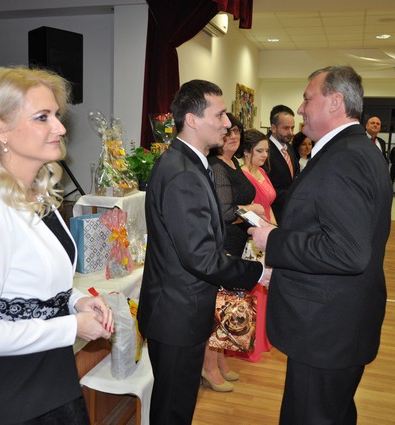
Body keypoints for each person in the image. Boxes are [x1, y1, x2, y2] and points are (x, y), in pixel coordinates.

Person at [0, 66, 114, 425]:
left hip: (53, 385)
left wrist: (74, 299)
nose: (60, 128)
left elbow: (28, 282)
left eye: (57, 115)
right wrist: (71, 326)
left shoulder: (37, 195)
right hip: (7, 401)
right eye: (42, 117)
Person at [249, 65, 393, 425]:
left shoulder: (344, 158)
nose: (300, 109)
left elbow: (347, 252)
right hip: (336, 324)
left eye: (307, 99)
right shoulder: (355, 150)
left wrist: (274, 240)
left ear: (335, 102)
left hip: (325, 330)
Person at [137, 79, 267, 425]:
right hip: (177, 314)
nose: (227, 124)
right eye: (219, 115)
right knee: (173, 410)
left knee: (176, 405)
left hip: (180, 308)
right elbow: (200, 257)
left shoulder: (191, 163)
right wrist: (258, 272)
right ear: (192, 120)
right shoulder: (183, 172)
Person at [203, 112, 263, 392]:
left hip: (238, 241)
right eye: (228, 132)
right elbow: (226, 212)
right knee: (219, 309)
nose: (233, 136)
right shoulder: (216, 166)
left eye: (237, 131)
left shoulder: (233, 163)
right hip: (225, 242)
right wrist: (252, 210)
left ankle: (220, 361)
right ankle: (209, 367)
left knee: (229, 308)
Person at [225, 128, 276, 364]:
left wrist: (276, 230)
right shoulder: (243, 175)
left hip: (268, 232)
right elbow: (243, 210)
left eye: (266, 151)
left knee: (263, 290)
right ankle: (242, 345)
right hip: (252, 237)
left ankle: (260, 340)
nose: (265, 155)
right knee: (250, 291)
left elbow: (268, 205)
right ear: (247, 152)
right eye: (260, 151)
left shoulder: (262, 172)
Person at [263, 105, 299, 220]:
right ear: (273, 128)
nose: (291, 132)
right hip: (273, 214)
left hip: (290, 212)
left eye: (292, 128)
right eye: (286, 128)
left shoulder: (289, 148)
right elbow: (264, 187)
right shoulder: (264, 150)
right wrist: (295, 195)